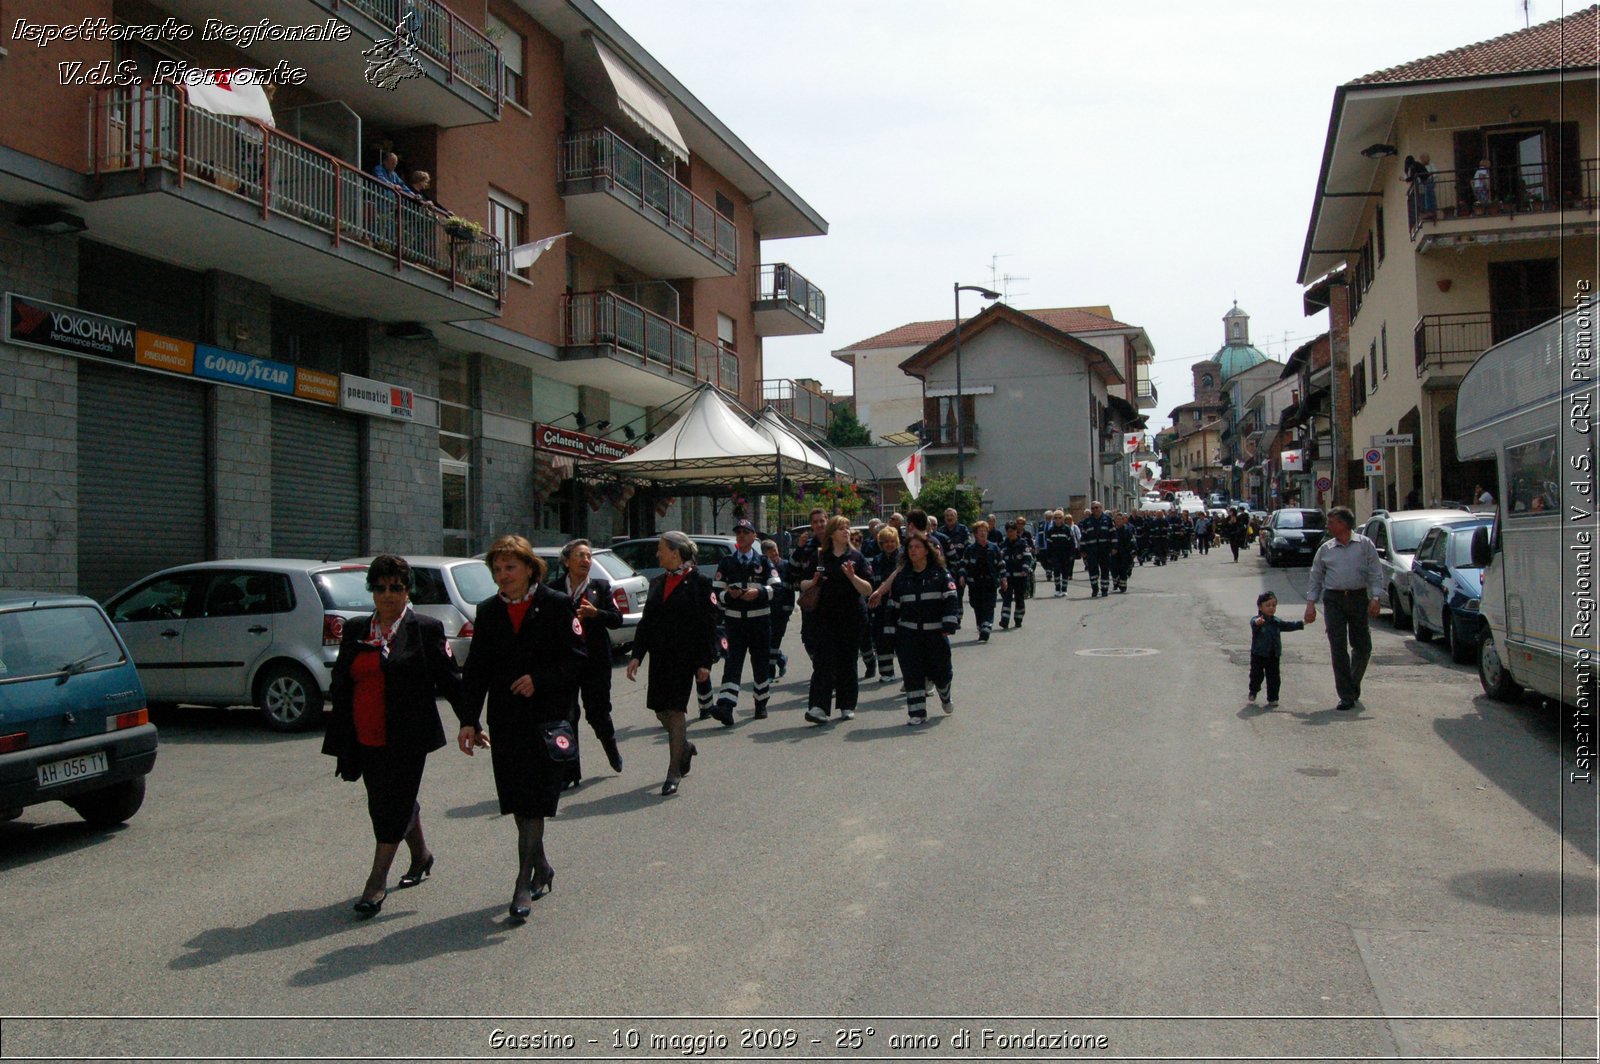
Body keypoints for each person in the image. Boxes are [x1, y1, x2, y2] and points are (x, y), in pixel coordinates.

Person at [324, 554, 464, 917]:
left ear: (407, 590)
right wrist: (339, 735)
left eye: (396, 588)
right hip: (366, 735)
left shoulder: (425, 629)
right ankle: (421, 855)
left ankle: (375, 884)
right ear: (371, 590)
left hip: (409, 737)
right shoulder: (356, 630)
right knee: (384, 803)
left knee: (393, 807)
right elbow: (342, 681)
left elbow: (451, 680)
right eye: (381, 588)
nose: (388, 595)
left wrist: (470, 721)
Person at [458, 535, 586, 922]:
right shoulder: (489, 612)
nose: (503, 576)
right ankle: (542, 866)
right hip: (507, 720)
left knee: (533, 801)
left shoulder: (557, 605)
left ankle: (522, 880)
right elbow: (476, 670)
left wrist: (539, 679)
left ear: (530, 568)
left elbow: (577, 660)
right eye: (497, 570)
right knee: (519, 800)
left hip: (546, 719)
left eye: (510, 567)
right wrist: (468, 719)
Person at [626, 532, 720, 795]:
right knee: (660, 709)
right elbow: (647, 623)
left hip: (685, 658)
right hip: (660, 657)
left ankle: (673, 771)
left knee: (676, 710)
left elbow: (708, 625)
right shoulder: (657, 582)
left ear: (676, 553)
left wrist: (705, 662)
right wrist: (636, 655)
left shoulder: (700, 583)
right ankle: (684, 747)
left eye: (661, 549)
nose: (657, 554)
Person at [551, 539, 624, 777]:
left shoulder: (600, 587)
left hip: (595, 661)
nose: (586, 561)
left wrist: (596, 613)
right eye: (580, 556)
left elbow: (616, 619)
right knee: (567, 714)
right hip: (565, 662)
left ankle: (611, 748)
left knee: (597, 711)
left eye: (589, 557)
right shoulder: (554, 590)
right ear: (566, 561)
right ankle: (571, 769)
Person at [1303, 506, 1385, 712]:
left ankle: (1352, 684)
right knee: (1337, 646)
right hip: (1334, 599)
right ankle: (1346, 695)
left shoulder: (1365, 545)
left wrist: (1376, 597)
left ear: (1343, 524)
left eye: (1331, 522)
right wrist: (1311, 604)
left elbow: (1376, 572)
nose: (1328, 526)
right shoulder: (1326, 549)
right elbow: (1316, 577)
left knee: (1363, 645)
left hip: (1358, 597)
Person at [872, 532, 957, 724]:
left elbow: (951, 598)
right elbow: (893, 606)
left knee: (942, 673)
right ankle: (917, 713)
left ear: (927, 550)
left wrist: (949, 623)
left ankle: (945, 694)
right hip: (909, 634)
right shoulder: (902, 577)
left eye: (917, 547)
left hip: (935, 633)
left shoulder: (940, 573)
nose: (913, 551)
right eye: (910, 547)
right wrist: (890, 631)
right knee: (912, 674)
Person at [798, 515, 872, 724]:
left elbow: (867, 589)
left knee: (847, 662)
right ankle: (818, 708)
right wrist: (811, 581)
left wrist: (852, 577)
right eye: (841, 528)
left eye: (847, 528)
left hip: (851, 618)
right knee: (823, 662)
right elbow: (802, 584)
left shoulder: (856, 557)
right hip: (824, 618)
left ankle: (847, 705)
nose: (846, 531)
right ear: (831, 533)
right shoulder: (820, 557)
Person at [711, 518, 777, 722]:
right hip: (735, 623)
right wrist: (730, 596)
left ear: (754, 536)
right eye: (738, 532)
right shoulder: (727, 562)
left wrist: (758, 593)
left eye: (745, 532)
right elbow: (715, 593)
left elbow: (778, 589)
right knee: (732, 664)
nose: (741, 535)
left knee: (760, 664)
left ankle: (761, 703)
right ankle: (726, 708)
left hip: (759, 623)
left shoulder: (763, 562)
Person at [1249, 591, 1308, 707]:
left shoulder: (1276, 622)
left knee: (1274, 677)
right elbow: (1254, 623)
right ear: (1260, 607)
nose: (1271, 608)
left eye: (1274, 605)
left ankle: (1273, 698)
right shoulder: (1257, 620)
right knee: (1256, 675)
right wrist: (1258, 622)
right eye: (1268, 605)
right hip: (1258, 654)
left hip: (1273, 655)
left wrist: (1304, 622)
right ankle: (1253, 690)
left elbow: (1288, 625)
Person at [960, 520, 1006, 642]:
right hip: (975, 584)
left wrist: (1003, 579)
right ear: (975, 534)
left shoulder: (994, 548)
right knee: (978, 607)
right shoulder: (970, 549)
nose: (983, 534)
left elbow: (1001, 565)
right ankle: (981, 627)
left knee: (989, 606)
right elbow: (963, 565)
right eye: (980, 531)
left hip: (990, 583)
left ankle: (986, 626)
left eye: (985, 531)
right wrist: (962, 576)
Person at [866, 526, 902, 683]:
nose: (889, 544)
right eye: (886, 542)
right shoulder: (877, 560)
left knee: (900, 639)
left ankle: (909, 672)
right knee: (881, 640)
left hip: (898, 606)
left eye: (892, 541)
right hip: (880, 607)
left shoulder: (903, 559)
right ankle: (886, 672)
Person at [761, 538, 793, 679]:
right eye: (770, 551)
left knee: (775, 640)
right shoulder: (763, 567)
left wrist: (788, 607)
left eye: (775, 550)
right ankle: (780, 659)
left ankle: (771, 671)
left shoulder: (786, 566)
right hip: (767, 608)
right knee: (766, 640)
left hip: (782, 609)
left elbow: (790, 589)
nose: (774, 553)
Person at [939, 508, 971, 626]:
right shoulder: (941, 531)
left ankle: (958, 617)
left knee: (958, 593)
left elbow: (968, 549)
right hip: (945, 569)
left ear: (956, 517)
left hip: (959, 567)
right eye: (947, 515)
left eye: (951, 515)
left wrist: (964, 564)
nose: (949, 517)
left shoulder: (963, 530)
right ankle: (950, 616)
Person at [999, 518, 1033, 629]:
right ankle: (1004, 620)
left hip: (1020, 577)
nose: (1010, 533)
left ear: (1016, 531)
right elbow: (999, 559)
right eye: (1008, 531)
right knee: (1007, 599)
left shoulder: (1023, 543)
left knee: (1019, 599)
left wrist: (1025, 568)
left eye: (1012, 531)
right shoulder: (1003, 545)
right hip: (1008, 577)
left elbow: (1028, 558)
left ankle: (1018, 619)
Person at [1078, 500, 1116, 598]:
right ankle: (1095, 589)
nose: (1095, 510)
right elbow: (1083, 537)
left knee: (1105, 570)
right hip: (1092, 551)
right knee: (1093, 571)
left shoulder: (1108, 520)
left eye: (1096, 507)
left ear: (1101, 508)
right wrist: (1082, 550)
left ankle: (1104, 590)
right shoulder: (1087, 522)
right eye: (1093, 508)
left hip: (1104, 550)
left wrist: (1114, 547)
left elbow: (1113, 534)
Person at [1046, 510, 1078, 596]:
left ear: (1062, 518)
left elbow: (1072, 543)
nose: (1057, 519)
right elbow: (1049, 545)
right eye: (1055, 518)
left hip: (1065, 554)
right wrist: (1048, 556)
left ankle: (1064, 589)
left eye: (1059, 518)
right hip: (1055, 555)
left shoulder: (1067, 529)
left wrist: (1072, 554)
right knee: (1056, 572)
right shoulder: (1050, 531)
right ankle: (1057, 589)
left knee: (1065, 572)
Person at [1112, 511, 1136, 593]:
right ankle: (1116, 582)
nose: (1118, 521)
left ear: (1123, 520)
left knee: (1123, 570)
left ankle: (1123, 586)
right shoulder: (1112, 530)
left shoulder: (1127, 530)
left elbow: (1132, 541)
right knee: (1114, 569)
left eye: (1120, 519)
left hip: (1124, 553)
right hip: (1114, 554)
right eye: (1116, 519)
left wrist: (1133, 551)